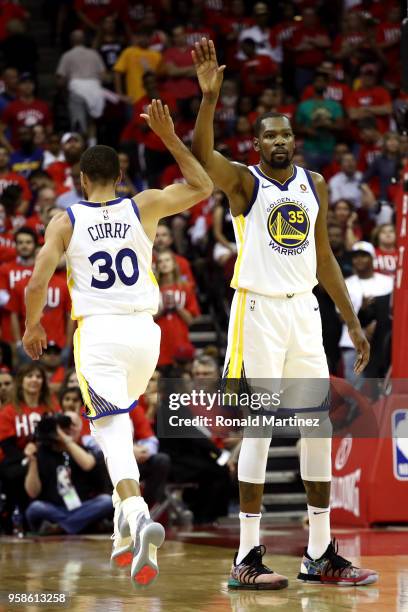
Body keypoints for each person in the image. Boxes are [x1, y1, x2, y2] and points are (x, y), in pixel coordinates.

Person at [191, 38, 377, 589]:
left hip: (305, 314)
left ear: (295, 140)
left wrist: (348, 319)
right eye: (270, 133)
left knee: (316, 429)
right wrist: (208, 101)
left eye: (286, 133)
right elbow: (204, 158)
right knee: (261, 430)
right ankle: (246, 558)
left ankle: (320, 553)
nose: (280, 140)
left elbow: (325, 260)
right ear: (257, 142)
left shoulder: (314, 184)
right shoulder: (245, 182)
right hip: (258, 313)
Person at [21, 99, 212, 587]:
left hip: (101, 334)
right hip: (145, 336)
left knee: (110, 431)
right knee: (119, 425)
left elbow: (36, 283)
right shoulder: (142, 204)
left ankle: (134, 510)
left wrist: (33, 326)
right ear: (119, 177)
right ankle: (123, 537)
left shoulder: (65, 222)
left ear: (83, 181)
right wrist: (170, 137)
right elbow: (202, 186)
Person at [24, 411, 112, 535]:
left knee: (107, 501)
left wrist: (66, 441)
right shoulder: (41, 453)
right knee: (35, 508)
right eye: (63, 426)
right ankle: (78, 525)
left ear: (80, 429)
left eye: (73, 425)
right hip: (54, 508)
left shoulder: (84, 450)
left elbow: (88, 464)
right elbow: (33, 492)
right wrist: (32, 461)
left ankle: (62, 527)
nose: (68, 429)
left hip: (82, 506)